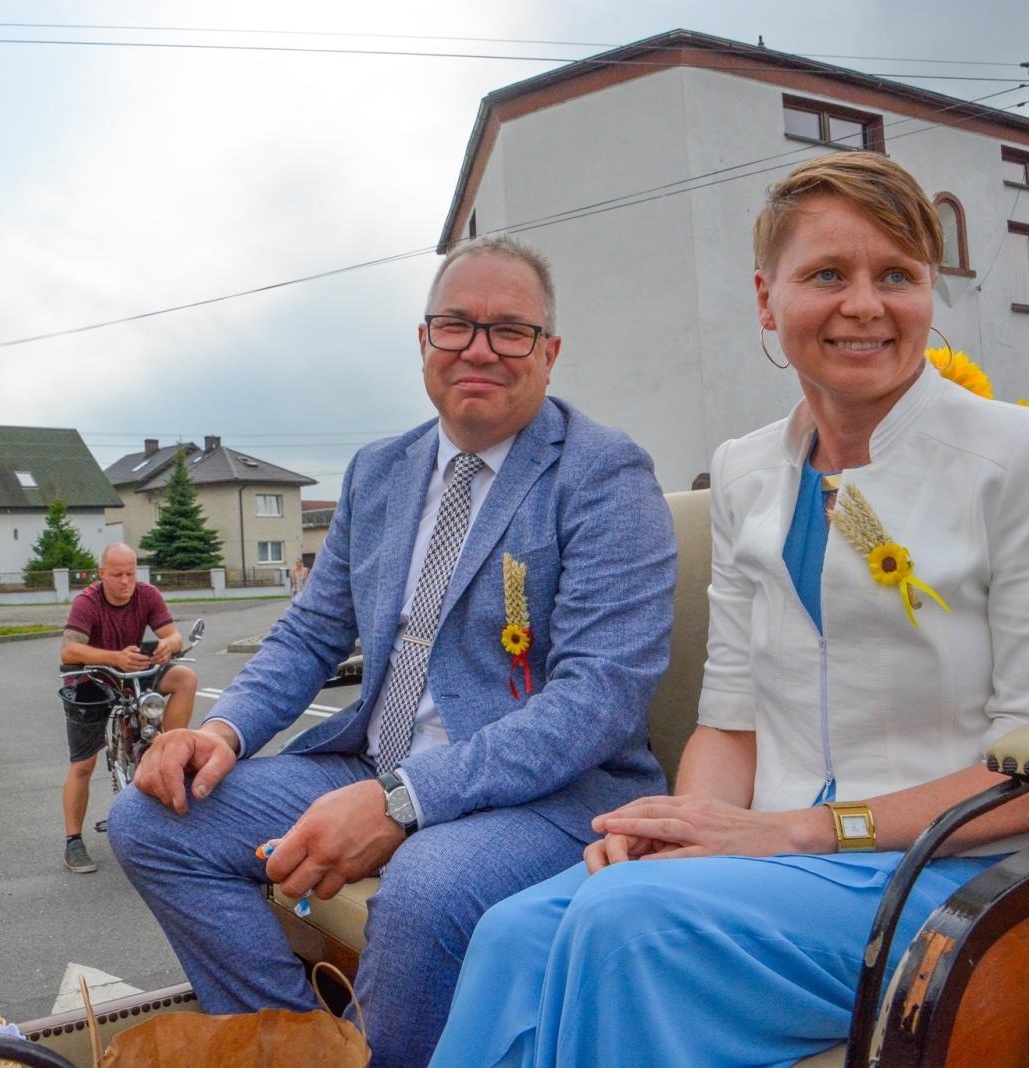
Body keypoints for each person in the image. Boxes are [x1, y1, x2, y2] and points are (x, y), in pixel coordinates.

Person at [431, 152, 1029, 1066]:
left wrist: (786, 832)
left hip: (954, 876)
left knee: (627, 927)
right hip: (780, 855)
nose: (865, 304)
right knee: (513, 934)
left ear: (929, 293)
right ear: (767, 300)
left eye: (898, 275)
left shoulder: (1024, 452)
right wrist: (685, 833)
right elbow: (731, 722)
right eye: (827, 274)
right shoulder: (750, 470)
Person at [110, 234, 676, 1067]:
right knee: (152, 821)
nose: (479, 348)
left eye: (510, 330)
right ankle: (295, 1044)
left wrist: (405, 801)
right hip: (375, 761)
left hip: (547, 796)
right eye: (456, 325)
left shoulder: (602, 475)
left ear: (549, 354)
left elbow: (599, 697)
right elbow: (310, 632)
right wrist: (220, 734)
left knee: (426, 889)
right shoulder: (380, 470)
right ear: (423, 342)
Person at [59, 542, 197, 874]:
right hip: (90, 678)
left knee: (185, 678)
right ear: (102, 573)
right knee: (83, 764)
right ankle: (73, 842)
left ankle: (168, 747)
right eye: (117, 574)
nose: (125, 581)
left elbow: (175, 636)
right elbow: (69, 650)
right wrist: (114, 657)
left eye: (131, 573)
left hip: (132, 672)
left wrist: (167, 645)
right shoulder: (86, 603)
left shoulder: (147, 595)